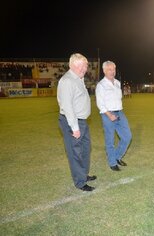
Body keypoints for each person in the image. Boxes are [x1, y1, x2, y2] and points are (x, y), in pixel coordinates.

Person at [57, 53, 96, 192]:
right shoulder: (67, 81)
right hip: (72, 122)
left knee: (85, 149)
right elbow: (67, 106)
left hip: (82, 121)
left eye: (84, 66)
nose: (83, 69)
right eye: (80, 66)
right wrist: (74, 127)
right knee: (76, 152)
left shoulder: (79, 78)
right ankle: (80, 182)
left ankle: (83, 175)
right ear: (71, 65)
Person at [95, 61, 132, 171]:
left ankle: (117, 157)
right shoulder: (101, 85)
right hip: (107, 114)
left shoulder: (117, 83)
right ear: (104, 71)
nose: (112, 71)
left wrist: (118, 112)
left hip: (119, 112)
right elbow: (100, 103)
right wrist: (109, 114)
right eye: (110, 69)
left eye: (114, 69)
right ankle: (112, 162)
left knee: (127, 136)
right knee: (110, 140)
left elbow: (118, 99)